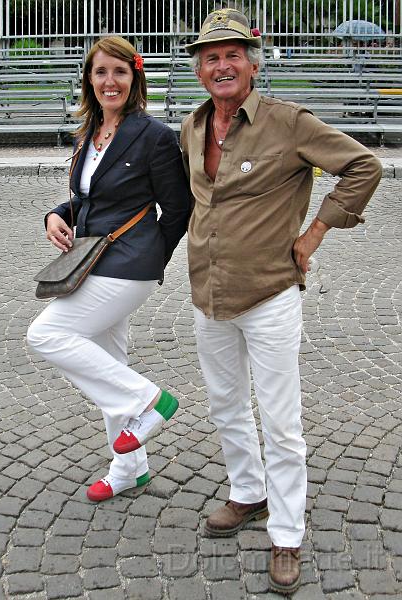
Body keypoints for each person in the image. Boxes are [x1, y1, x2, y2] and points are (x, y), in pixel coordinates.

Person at [181, 8, 382, 595]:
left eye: (232, 55)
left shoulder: (288, 122)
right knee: (225, 404)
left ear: (252, 62)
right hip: (207, 294)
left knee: (281, 421)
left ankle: (287, 533)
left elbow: (362, 166)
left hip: (269, 293)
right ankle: (247, 493)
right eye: (211, 57)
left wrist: (315, 232)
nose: (222, 65)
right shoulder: (193, 128)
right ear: (200, 69)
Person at [27, 36, 191, 503]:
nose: (110, 81)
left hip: (128, 267)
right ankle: (128, 469)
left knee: (46, 335)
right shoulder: (90, 133)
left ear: (134, 77)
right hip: (92, 259)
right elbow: (88, 198)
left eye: (120, 71)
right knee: (109, 363)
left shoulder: (155, 136)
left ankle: (149, 401)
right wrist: (56, 214)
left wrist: (152, 259)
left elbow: (177, 210)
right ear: (90, 80)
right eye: (101, 72)